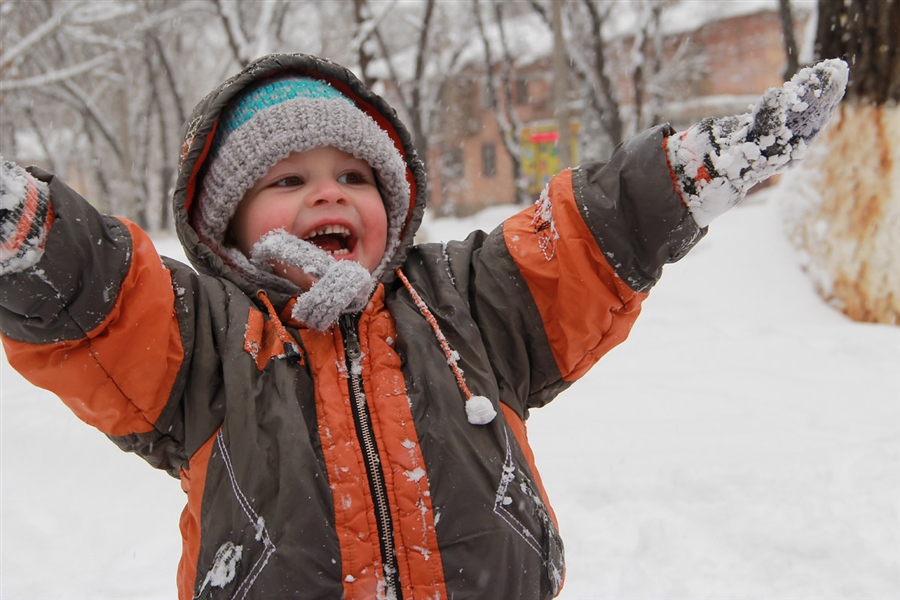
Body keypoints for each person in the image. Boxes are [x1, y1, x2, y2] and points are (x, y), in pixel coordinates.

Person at [0, 53, 847, 599]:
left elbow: (588, 240)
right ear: (227, 226)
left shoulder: (464, 298)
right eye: (288, 179)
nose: (328, 193)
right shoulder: (207, 341)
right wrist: (26, 231)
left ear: (392, 203)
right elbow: (98, 299)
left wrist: (692, 176)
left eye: (354, 175)